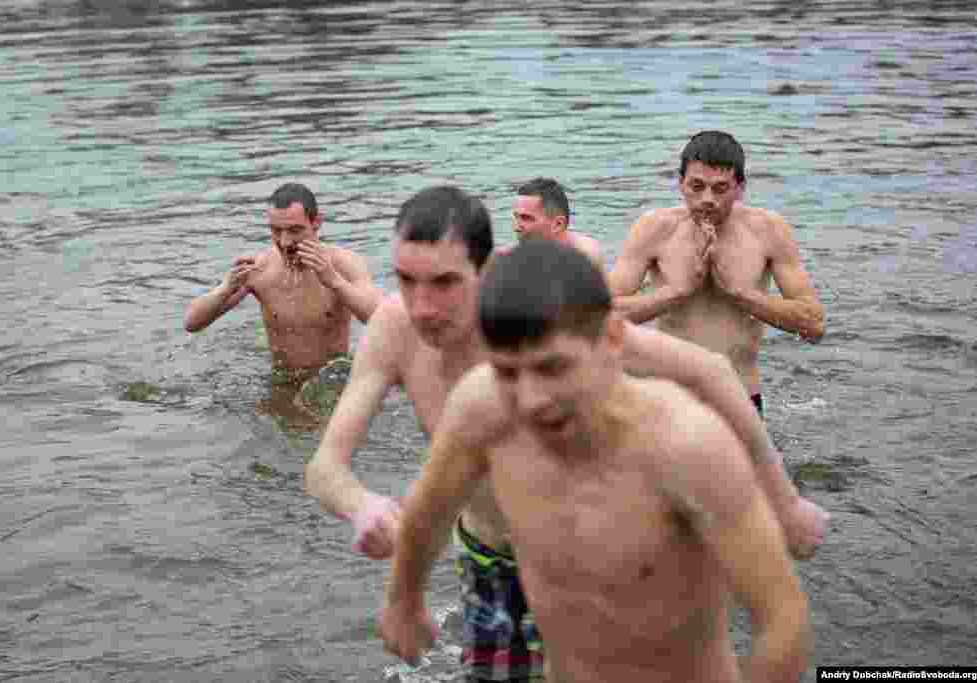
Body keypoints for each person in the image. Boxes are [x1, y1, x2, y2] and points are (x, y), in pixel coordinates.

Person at [305, 185, 826, 682]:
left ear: (487, 270)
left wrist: (784, 502)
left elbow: (709, 371)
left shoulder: (557, 324)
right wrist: (391, 572)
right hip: (494, 551)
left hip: (600, 538)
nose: (422, 307)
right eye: (405, 281)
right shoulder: (461, 385)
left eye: (444, 283)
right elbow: (421, 504)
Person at [608, 131, 825, 414]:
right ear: (680, 183)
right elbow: (598, 318)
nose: (707, 199)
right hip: (670, 397)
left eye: (720, 188)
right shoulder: (655, 229)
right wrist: (676, 293)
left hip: (740, 397)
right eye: (696, 186)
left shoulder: (767, 230)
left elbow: (814, 325)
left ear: (740, 188)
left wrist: (740, 293)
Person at [183, 183, 381, 372]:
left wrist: (334, 281)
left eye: (295, 230)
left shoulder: (345, 264)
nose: (285, 242)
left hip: (331, 381)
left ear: (316, 222)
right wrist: (224, 290)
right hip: (283, 379)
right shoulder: (260, 268)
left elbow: (380, 318)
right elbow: (192, 323)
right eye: (276, 231)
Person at [510, 177, 602, 266]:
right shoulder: (513, 256)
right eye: (516, 217)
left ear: (558, 224)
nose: (516, 227)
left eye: (526, 218)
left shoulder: (586, 255)